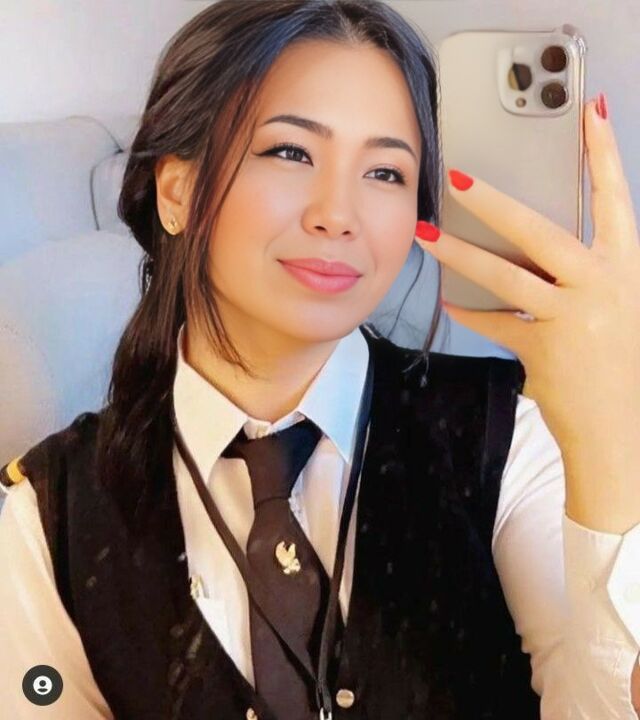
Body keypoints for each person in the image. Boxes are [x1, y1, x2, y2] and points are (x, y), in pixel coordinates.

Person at [1, 1, 639, 718]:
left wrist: (609, 438)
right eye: (291, 153)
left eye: (387, 172)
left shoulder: (508, 438)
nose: (338, 214)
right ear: (177, 191)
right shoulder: (49, 517)